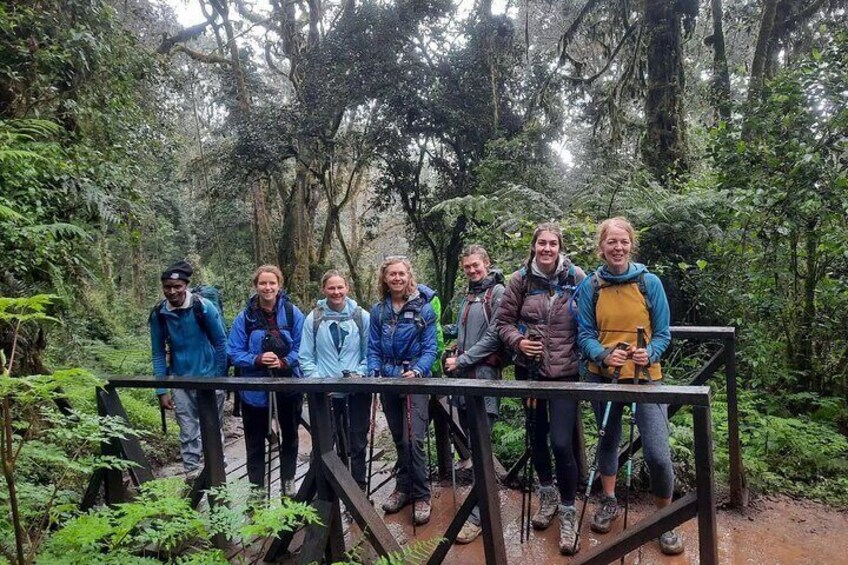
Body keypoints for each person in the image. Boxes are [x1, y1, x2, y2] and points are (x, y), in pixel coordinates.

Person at [577, 216, 682, 555]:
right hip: (603, 376)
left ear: (631, 244)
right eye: (611, 242)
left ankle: (665, 518)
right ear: (602, 247)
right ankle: (608, 501)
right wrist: (604, 356)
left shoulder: (649, 283)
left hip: (645, 378)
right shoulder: (590, 286)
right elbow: (584, 334)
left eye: (623, 242)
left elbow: (664, 333)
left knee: (657, 452)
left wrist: (648, 353)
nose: (618, 247)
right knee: (608, 442)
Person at [496, 223, 586, 555]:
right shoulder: (520, 280)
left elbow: (589, 320)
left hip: (565, 374)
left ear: (560, 247)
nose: (546, 249)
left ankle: (567, 511)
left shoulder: (575, 276)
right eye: (541, 243)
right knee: (535, 438)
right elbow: (502, 322)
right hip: (529, 371)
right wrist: (519, 341)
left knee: (562, 444)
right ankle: (546, 494)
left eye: (552, 244)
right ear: (534, 246)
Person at [367, 256, 438, 526]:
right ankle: (403, 487)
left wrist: (419, 370)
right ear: (384, 278)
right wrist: (374, 372)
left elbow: (431, 347)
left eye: (401, 274)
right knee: (399, 437)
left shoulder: (424, 309)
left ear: (409, 276)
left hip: (415, 380)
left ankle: (422, 494)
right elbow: (373, 347)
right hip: (387, 378)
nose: (397, 278)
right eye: (392, 274)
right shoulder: (378, 311)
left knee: (413, 440)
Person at [443, 244, 506, 544]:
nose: (471, 270)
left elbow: (495, 336)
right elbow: (465, 330)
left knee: (481, 447)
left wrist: (463, 359)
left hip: (484, 377)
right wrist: (455, 345)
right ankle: (483, 502)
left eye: (475, 265)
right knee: (474, 445)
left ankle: (480, 516)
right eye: (467, 266)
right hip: (464, 377)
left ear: (486, 263)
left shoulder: (498, 293)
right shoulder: (469, 295)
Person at [227, 265, 305, 495]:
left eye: (272, 283)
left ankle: (288, 480)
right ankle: (257, 488)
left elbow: (304, 347)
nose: (268, 287)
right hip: (254, 387)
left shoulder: (292, 313)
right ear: (256, 286)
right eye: (263, 283)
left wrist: (284, 362)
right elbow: (233, 351)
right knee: (254, 440)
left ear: (279, 285)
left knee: (290, 434)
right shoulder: (246, 317)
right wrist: (257, 359)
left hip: (288, 385)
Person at [150, 260, 227, 479]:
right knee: (187, 428)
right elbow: (157, 352)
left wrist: (220, 377)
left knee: (213, 425)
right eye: (168, 287)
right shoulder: (159, 313)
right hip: (180, 378)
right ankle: (192, 473)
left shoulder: (202, 307)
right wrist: (161, 389)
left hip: (209, 377)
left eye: (177, 287)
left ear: (186, 285)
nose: (172, 291)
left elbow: (221, 342)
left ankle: (218, 468)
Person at [299, 270, 371, 491]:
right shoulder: (314, 318)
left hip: (357, 390)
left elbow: (369, 353)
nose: (336, 292)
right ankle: (321, 490)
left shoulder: (362, 317)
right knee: (324, 442)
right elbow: (305, 356)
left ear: (347, 288)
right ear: (324, 290)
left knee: (357, 440)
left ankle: (358, 489)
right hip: (325, 393)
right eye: (331, 288)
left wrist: (360, 375)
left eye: (340, 287)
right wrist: (319, 382)